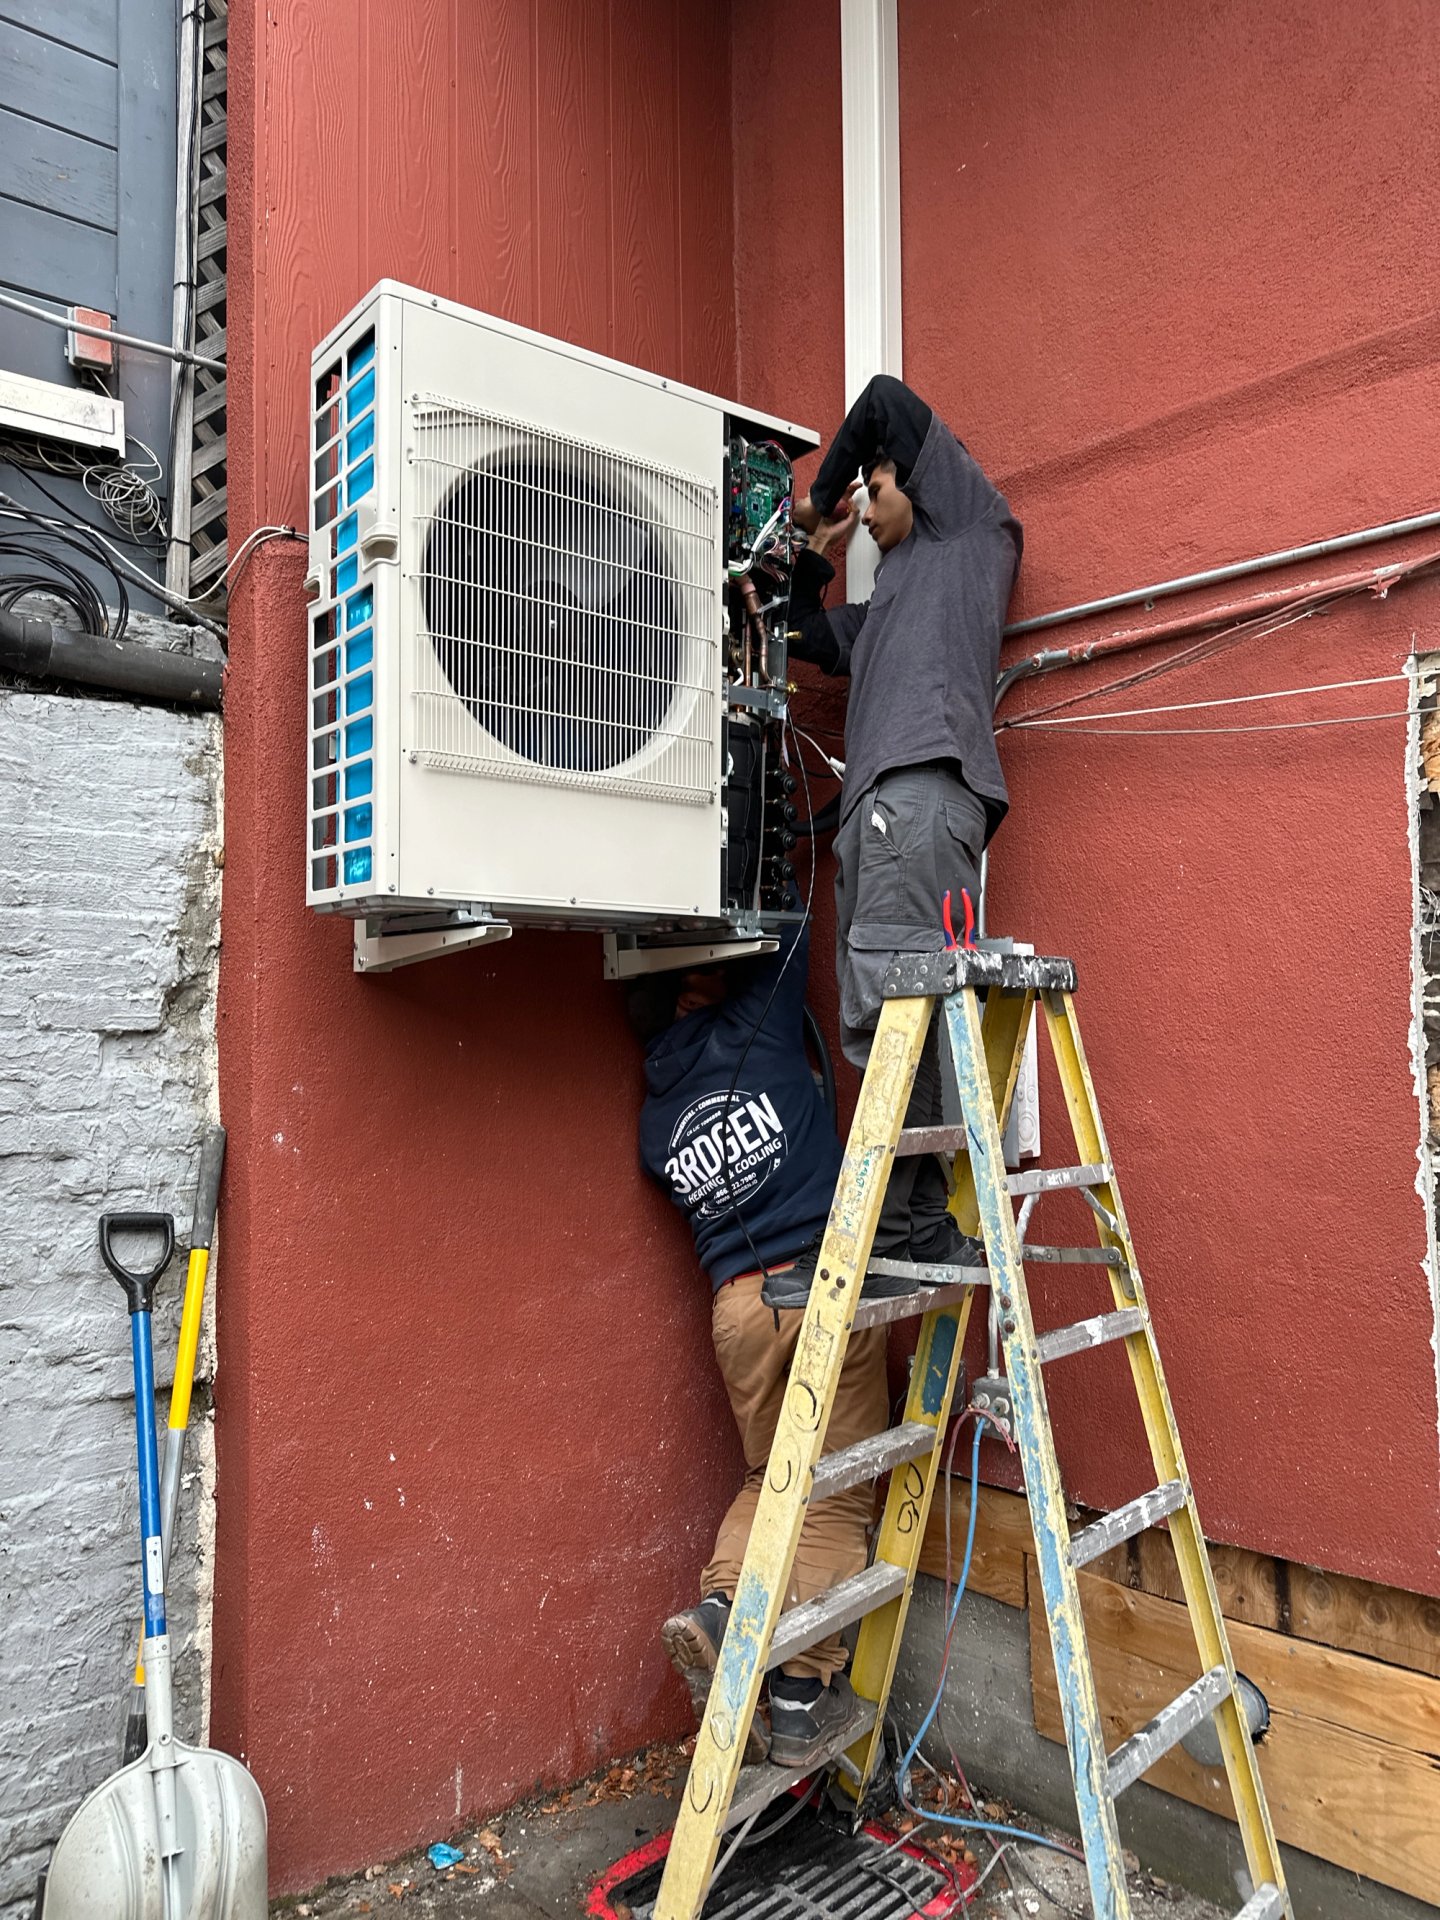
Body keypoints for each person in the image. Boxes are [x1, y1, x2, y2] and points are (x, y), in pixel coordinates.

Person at [775, 374, 1024, 1301]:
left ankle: (885, 1230)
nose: (868, 511)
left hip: (917, 802)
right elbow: (799, 629)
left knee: (895, 1014)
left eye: (877, 491)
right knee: (886, 1017)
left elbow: (882, 399)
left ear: (919, 483)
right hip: (887, 820)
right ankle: (917, 1227)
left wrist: (824, 489)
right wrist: (819, 549)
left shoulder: (971, 532)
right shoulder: (888, 607)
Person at [627, 929, 886, 1769]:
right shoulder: (759, 1032)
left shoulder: (656, 1123)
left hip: (737, 1307)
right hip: (820, 1287)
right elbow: (792, 930)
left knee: (765, 1477)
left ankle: (720, 1615)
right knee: (834, 1496)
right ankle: (802, 1695)